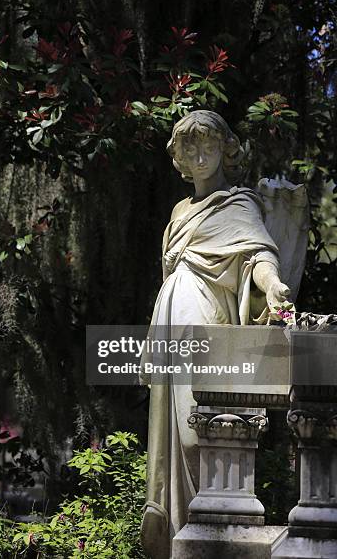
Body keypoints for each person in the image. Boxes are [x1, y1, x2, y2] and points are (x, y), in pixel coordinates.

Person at [140, 110, 291, 559]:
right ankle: (177, 530)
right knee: (169, 430)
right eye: (190, 149)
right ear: (180, 159)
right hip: (170, 324)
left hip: (207, 320)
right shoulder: (180, 212)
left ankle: (208, 524)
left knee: (196, 430)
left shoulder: (238, 204)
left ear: (226, 150)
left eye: (208, 145)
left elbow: (257, 255)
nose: (200, 155)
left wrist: (274, 286)